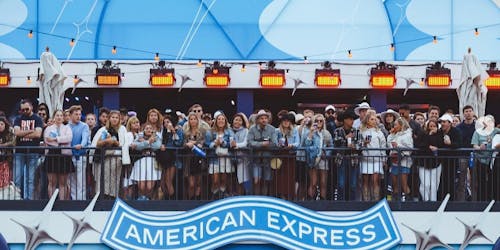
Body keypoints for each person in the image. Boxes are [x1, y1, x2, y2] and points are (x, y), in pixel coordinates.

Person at [90, 110, 128, 199]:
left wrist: (115, 142)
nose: (114, 119)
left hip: (117, 159)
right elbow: (97, 143)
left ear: (119, 119)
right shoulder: (103, 130)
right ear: (109, 118)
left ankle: (112, 199)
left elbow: (124, 144)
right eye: (112, 117)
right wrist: (108, 141)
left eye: (116, 117)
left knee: (114, 181)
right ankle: (102, 199)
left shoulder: (122, 129)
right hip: (103, 159)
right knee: (102, 180)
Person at [13, 99, 43, 200]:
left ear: (31, 107)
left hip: (33, 152)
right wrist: (30, 130)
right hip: (19, 152)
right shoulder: (18, 119)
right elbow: (16, 133)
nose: (25, 111)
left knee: (30, 179)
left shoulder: (38, 119)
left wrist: (23, 132)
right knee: (17, 178)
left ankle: (29, 200)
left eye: (27, 109)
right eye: (22, 110)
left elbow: (38, 134)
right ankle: (17, 199)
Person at [43, 110, 73, 200]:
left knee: (63, 182)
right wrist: (60, 141)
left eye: (61, 115)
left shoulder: (67, 128)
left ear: (63, 117)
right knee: (52, 182)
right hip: (52, 155)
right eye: (57, 115)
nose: (59, 117)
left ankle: (62, 203)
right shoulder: (48, 128)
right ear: (54, 117)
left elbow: (69, 138)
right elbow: (47, 140)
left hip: (64, 156)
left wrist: (56, 139)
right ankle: (51, 203)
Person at [333, 109, 362, 200]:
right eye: (350, 119)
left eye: (353, 119)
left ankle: (352, 204)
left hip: (353, 159)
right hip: (341, 159)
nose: (352, 121)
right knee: (341, 184)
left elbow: (360, 145)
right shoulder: (337, 131)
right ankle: (341, 204)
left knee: (353, 185)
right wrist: (346, 139)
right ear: (345, 120)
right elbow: (336, 144)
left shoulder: (356, 131)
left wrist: (355, 146)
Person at [248, 110, 277, 196]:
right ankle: (256, 198)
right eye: (262, 118)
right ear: (257, 120)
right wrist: (262, 144)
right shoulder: (252, 129)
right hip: (255, 159)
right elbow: (250, 142)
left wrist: (264, 145)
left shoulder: (272, 129)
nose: (264, 120)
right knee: (257, 181)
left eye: (265, 118)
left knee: (266, 181)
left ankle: (264, 199)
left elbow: (274, 143)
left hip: (267, 159)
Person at [129, 124, 162, 200]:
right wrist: (148, 142)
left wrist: (144, 143)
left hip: (152, 162)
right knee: (141, 186)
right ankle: (143, 199)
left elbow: (157, 146)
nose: (149, 129)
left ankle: (148, 199)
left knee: (150, 186)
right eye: (147, 128)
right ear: (143, 130)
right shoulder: (139, 137)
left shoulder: (157, 138)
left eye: (150, 128)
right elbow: (136, 146)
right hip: (141, 162)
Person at [206, 111, 234, 199]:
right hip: (214, 158)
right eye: (219, 119)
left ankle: (221, 196)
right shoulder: (210, 132)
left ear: (225, 121)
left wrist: (223, 142)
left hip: (226, 158)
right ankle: (214, 195)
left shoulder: (229, 131)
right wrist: (214, 143)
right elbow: (206, 144)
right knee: (215, 180)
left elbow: (232, 144)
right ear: (216, 121)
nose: (221, 121)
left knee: (223, 179)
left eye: (223, 119)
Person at [360, 112, 387, 201]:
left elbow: (383, 146)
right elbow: (358, 145)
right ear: (367, 120)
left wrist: (384, 159)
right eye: (372, 119)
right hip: (365, 159)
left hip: (377, 160)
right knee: (365, 182)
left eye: (375, 119)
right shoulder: (361, 132)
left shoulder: (379, 133)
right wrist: (364, 143)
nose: (374, 121)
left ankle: (375, 201)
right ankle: (366, 201)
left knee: (375, 181)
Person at [471, 115, 499, 201]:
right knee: (481, 181)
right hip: (480, 159)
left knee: (493, 181)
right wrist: (479, 148)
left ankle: (492, 200)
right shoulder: (477, 132)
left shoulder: (496, 131)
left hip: (492, 160)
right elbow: (474, 145)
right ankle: (481, 201)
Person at [416, 119, 444, 201]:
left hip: (436, 163)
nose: (432, 128)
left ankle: (433, 202)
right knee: (425, 184)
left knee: (434, 184)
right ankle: (426, 200)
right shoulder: (423, 133)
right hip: (423, 162)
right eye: (430, 126)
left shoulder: (440, 134)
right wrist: (429, 135)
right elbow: (420, 145)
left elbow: (440, 144)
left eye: (434, 126)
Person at [387, 117, 413, 201]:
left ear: (401, 125)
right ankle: (395, 201)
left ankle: (408, 201)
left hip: (404, 162)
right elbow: (389, 145)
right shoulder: (394, 134)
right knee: (395, 184)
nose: (394, 126)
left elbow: (410, 148)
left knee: (403, 183)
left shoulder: (407, 135)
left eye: (395, 124)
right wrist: (391, 134)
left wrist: (398, 146)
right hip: (394, 162)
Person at [274, 113, 299, 200]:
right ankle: (281, 196)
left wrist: (291, 145)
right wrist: (278, 144)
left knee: (290, 177)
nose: (286, 122)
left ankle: (290, 196)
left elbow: (297, 144)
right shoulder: (277, 131)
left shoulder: (294, 131)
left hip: (290, 156)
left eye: (288, 121)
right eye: (284, 121)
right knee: (280, 177)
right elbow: (274, 143)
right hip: (280, 156)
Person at [306, 114, 332, 200]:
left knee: (323, 182)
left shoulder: (326, 133)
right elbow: (306, 144)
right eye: (317, 121)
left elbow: (331, 146)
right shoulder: (310, 131)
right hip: (313, 159)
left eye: (321, 121)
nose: (319, 122)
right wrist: (311, 133)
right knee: (313, 182)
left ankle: (322, 202)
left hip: (323, 159)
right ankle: (310, 202)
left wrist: (327, 154)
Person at [437, 113, 462, 201]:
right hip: (440, 161)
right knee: (441, 181)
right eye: (441, 122)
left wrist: (450, 144)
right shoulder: (439, 131)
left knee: (450, 181)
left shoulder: (456, 131)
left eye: (444, 122)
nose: (442, 124)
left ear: (449, 123)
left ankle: (451, 201)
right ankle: (440, 200)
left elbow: (459, 144)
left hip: (452, 161)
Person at [158, 115, 183, 200]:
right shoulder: (164, 132)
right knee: (162, 183)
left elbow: (179, 143)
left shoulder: (178, 130)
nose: (166, 124)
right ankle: (166, 199)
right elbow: (163, 143)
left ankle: (172, 201)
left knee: (168, 181)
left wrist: (173, 132)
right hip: (165, 158)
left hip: (173, 158)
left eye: (168, 122)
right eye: (164, 122)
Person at [68, 105, 90, 200]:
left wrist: (81, 145)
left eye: (79, 114)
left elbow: (85, 138)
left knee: (81, 181)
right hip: (70, 157)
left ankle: (81, 200)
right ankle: (74, 200)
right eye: (76, 114)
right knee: (71, 181)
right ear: (70, 115)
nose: (78, 116)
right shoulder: (66, 127)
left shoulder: (84, 126)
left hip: (81, 156)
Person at [183, 112, 206, 200]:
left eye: (194, 119)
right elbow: (183, 144)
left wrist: (195, 143)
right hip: (189, 160)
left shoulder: (202, 132)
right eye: (191, 119)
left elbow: (204, 143)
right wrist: (187, 144)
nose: (193, 121)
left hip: (199, 159)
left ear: (197, 120)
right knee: (191, 184)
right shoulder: (186, 133)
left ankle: (197, 200)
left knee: (198, 183)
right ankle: (190, 200)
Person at [455, 105, 476, 201]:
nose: (468, 113)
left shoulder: (477, 126)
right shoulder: (459, 127)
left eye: (470, 111)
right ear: (463, 114)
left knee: (475, 179)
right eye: (466, 111)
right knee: (461, 180)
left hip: (474, 155)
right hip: (462, 155)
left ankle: (476, 200)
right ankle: (461, 202)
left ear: (473, 112)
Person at [231, 113, 250, 195]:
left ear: (242, 122)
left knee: (240, 180)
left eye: (239, 120)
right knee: (231, 179)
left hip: (241, 158)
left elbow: (246, 143)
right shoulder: (229, 130)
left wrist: (236, 145)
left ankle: (240, 197)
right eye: (236, 120)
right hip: (230, 157)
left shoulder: (246, 131)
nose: (237, 122)